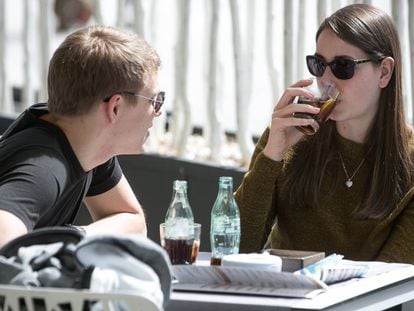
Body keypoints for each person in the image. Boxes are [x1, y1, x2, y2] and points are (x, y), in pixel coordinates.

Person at [235, 3, 414, 264]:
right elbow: (235, 248)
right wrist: (272, 155)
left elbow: (391, 280)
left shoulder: (408, 159)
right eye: (319, 65)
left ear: (384, 72)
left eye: (343, 66)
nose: (327, 80)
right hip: (281, 298)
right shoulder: (290, 135)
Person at [0, 25, 164, 247]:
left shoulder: (86, 143)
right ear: (115, 107)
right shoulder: (43, 170)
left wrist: (71, 238)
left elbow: (133, 223)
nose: (159, 111)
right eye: (154, 100)